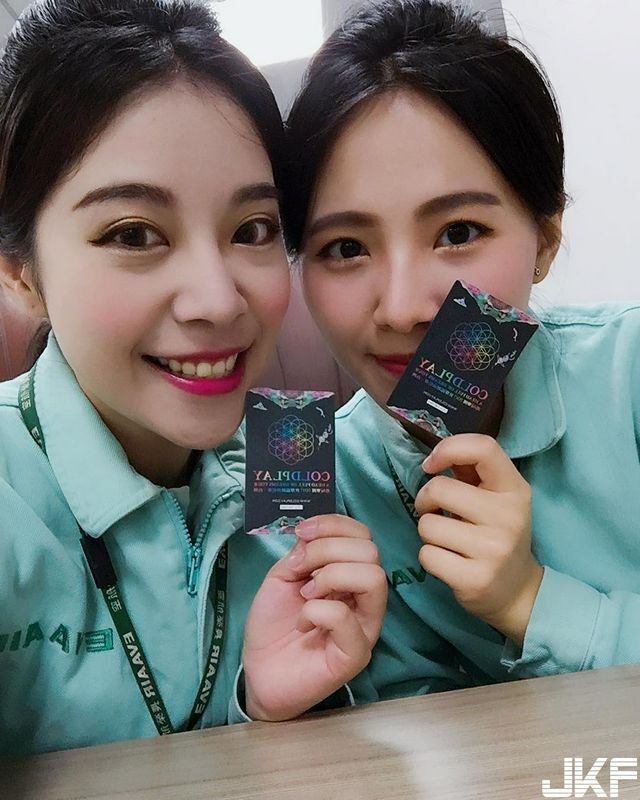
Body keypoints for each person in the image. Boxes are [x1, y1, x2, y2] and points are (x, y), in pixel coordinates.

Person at [0, 0, 386, 757]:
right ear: (22, 275)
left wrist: (268, 710)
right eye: (133, 234)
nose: (217, 301)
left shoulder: (292, 446)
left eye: (253, 230)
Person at [283, 0, 640, 699]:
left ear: (544, 240)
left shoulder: (627, 372)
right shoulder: (309, 468)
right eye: (346, 247)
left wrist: (531, 602)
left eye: (458, 233)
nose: (402, 309)